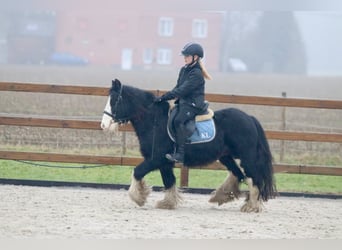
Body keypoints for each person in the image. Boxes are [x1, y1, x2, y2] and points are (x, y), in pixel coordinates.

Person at [155, 42, 212, 163]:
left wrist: (164, 97)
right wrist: (163, 98)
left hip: (193, 105)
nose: (185, 58)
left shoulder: (196, 73)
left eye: (187, 56)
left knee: (178, 120)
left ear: (195, 57)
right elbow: (177, 87)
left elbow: (183, 90)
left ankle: (180, 153)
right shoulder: (184, 70)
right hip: (184, 103)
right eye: (184, 56)